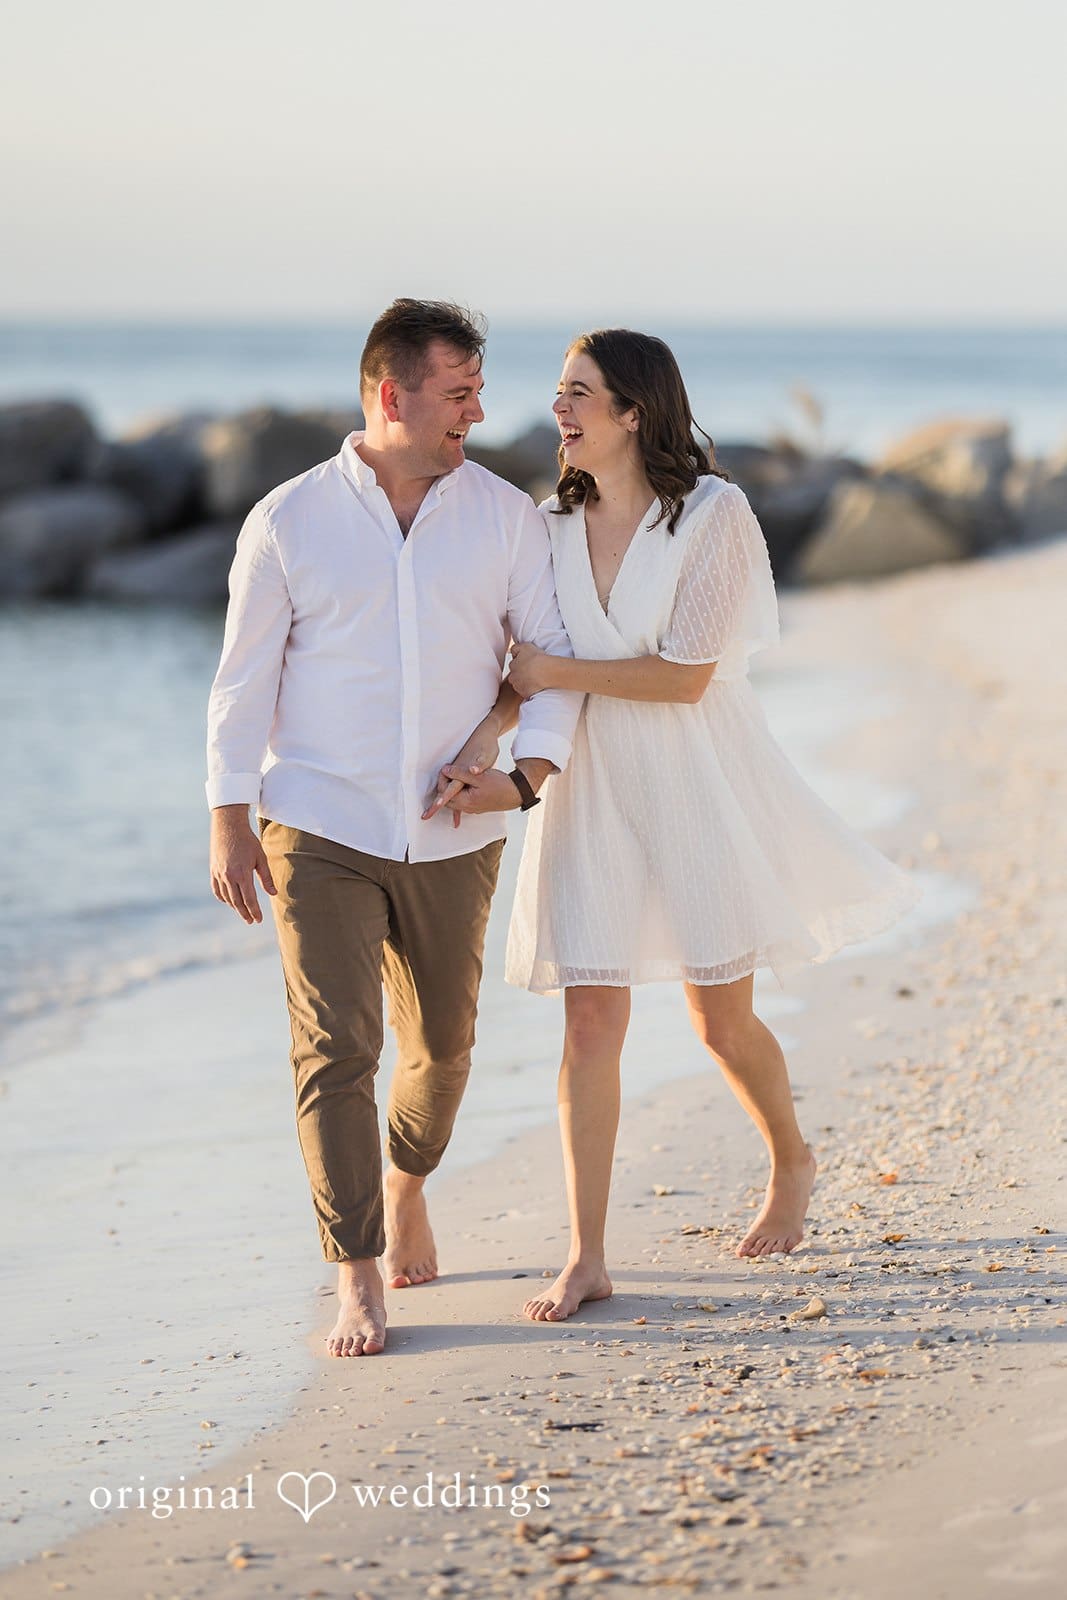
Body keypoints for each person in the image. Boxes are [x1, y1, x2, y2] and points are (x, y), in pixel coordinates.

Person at [494, 329, 919, 1324]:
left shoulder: (713, 514)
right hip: (587, 784)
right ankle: (587, 1253)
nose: (558, 410)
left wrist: (553, 676)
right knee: (590, 1018)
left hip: (693, 780)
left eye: (577, 394)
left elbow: (683, 678)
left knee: (715, 1019)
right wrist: (481, 755)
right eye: (558, 392)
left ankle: (790, 1156)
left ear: (632, 412)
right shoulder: (542, 521)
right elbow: (511, 661)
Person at [206, 299, 582, 1357]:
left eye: (475, 389)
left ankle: (407, 1181)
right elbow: (241, 681)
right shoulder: (288, 519)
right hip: (315, 819)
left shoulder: (504, 516)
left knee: (444, 1053)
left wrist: (516, 779)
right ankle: (355, 1273)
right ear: (391, 395)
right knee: (335, 1049)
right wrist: (229, 816)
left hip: (452, 831)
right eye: (457, 391)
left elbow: (545, 662)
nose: (476, 409)